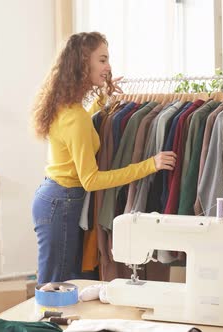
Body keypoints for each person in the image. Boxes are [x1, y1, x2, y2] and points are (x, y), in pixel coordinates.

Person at [31, 32, 177, 283]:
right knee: (55, 285)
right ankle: (44, 324)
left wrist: (101, 101)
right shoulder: (74, 116)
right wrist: (148, 165)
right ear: (82, 63)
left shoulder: (69, 107)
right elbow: (91, 180)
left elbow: (80, 128)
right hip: (61, 202)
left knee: (60, 281)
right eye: (102, 59)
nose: (108, 66)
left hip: (55, 198)